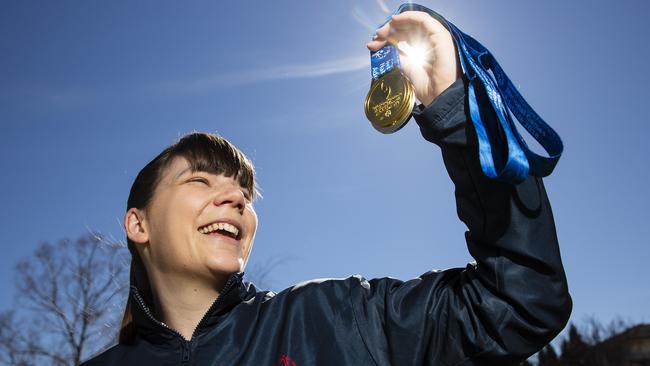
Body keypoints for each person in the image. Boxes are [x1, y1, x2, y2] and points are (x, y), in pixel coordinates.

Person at [81, 10, 571, 366]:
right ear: (137, 223)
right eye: (200, 179)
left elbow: (520, 301)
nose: (235, 198)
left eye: (244, 192)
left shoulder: (335, 321)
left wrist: (459, 115)